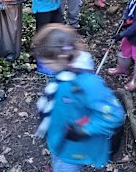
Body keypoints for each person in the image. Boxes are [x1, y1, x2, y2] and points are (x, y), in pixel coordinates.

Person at [33, 24, 126, 171]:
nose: (46, 67)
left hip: (73, 147)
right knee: (57, 161)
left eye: (48, 63)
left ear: (62, 57)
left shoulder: (88, 84)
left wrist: (85, 129)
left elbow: (115, 114)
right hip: (58, 137)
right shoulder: (63, 72)